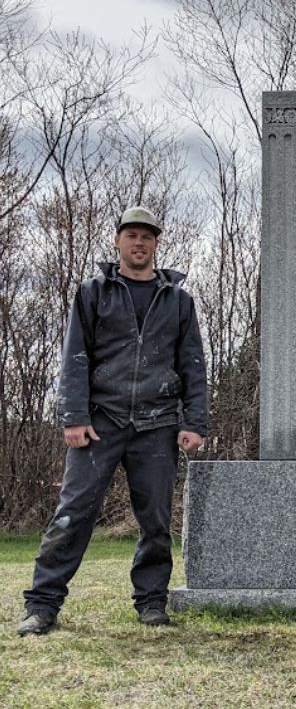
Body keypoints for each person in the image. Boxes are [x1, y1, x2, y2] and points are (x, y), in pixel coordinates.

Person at [17, 206, 208, 636]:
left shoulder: (178, 300)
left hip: (157, 424)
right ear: (118, 241)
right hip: (99, 422)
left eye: (147, 236)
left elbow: (192, 363)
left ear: (157, 244)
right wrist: (74, 416)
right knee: (73, 514)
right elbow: (75, 357)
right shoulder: (94, 292)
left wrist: (194, 421)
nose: (139, 243)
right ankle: (42, 606)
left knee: (156, 520)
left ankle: (151, 602)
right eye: (131, 235)